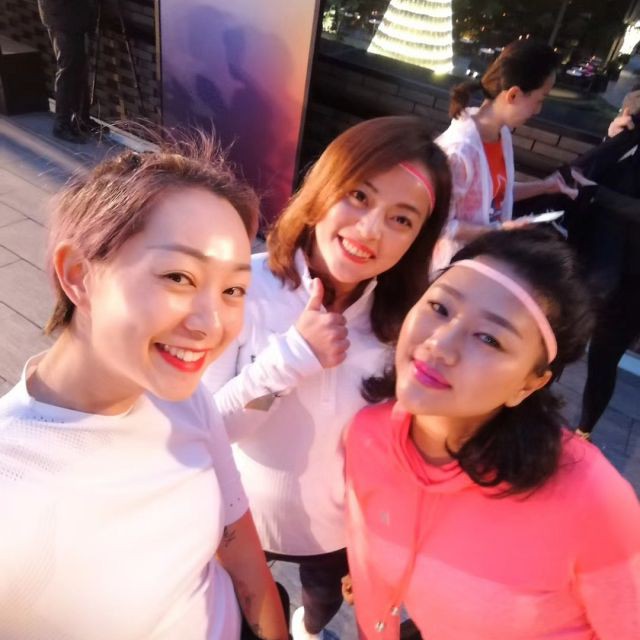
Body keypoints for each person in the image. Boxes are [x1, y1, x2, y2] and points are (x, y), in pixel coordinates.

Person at [0, 139, 289, 640]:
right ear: (79, 276)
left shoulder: (185, 398)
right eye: (179, 276)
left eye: (232, 290)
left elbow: (242, 551)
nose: (211, 324)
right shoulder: (14, 491)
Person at [202, 116, 452, 640]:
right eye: (359, 196)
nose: (370, 230)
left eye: (401, 219)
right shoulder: (242, 288)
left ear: (418, 240)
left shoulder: (402, 324)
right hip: (236, 517)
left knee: (317, 611)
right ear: (323, 189)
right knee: (243, 614)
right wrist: (291, 358)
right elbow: (206, 430)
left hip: (335, 531)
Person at [344, 228, 640, 639]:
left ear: (529, 384)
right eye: (439, 307)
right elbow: (369, 574)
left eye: (489, 338)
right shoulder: (368, 436)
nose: (439, 344)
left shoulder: (590, 499)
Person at [435, 39, 577, 267]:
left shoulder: (502, 135)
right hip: (451, 270)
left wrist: (545, 186)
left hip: (483, 259)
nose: (538, 110)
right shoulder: (459, 151)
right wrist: (498, 230)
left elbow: (495, 193)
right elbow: (438, 225)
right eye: (539, 99)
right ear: (513, 95)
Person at [564, 99, 640, 440]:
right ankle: (528, 407)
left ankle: (584, 432)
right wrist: (610, 140)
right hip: (593, 260)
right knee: (561, 338)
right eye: (627, 112)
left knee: (604, 358)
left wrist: (598, 194)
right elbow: (584, 176)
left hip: (633, 279)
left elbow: (594, 189)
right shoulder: (622, 143)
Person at [38, 0, 97, 143]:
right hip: (61, 16)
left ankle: (81, 118)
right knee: (68, 69)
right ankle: (62, 123)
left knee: (79, 67)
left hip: (73, 15)